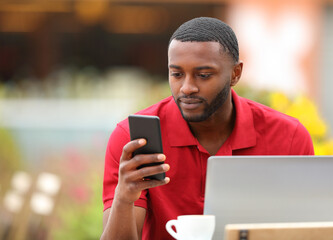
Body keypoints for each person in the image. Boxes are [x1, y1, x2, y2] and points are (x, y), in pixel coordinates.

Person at [101, 17, 314, 240]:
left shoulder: (289, 137)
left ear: (235, 74)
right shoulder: (133, 139)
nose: (187, 88)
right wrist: (124, 197)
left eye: (203, 75)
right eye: (177, 74)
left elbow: (309, 233)